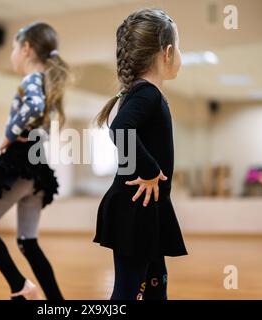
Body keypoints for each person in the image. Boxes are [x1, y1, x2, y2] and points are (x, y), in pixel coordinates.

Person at [0, 22, 69, 300]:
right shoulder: (47, 83)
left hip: (20, 164)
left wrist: (8, 135)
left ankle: (20, 287)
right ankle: (57, 303)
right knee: (28, 242)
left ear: (25, 49)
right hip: (37, 169)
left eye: (14, 47)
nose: (12, 53)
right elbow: (44, 125)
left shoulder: (31, 80)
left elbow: (34, 108)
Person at [93, 8, 188, 300]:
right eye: (180, 47)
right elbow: (120, 129)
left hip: (146, 210)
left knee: (155, 285)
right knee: (128, 291)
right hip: (135, 209)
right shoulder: (146, 93)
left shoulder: (142, 92)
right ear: (168, 53)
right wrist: (149, 170)